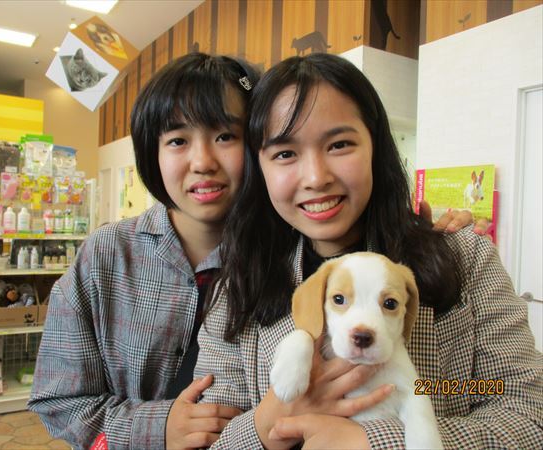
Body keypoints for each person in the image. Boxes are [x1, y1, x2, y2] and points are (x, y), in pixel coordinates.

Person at [194, 53, 542, 449]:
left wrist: (375, 442)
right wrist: (268, 423)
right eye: (285, 153)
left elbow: (530, 414)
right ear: (260, 168)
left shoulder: (466, 258)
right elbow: (210, 437)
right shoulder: (238, 287)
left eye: (339, 144)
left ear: (375, 145)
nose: (316, 178)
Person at [28, 53, 260, 450]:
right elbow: (59, 401)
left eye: (225, 136)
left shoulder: (287, 259)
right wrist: (158, 427)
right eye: (178, 141)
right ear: (153, 152)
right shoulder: (106, 256)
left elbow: (399, 382)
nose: (203, 162)